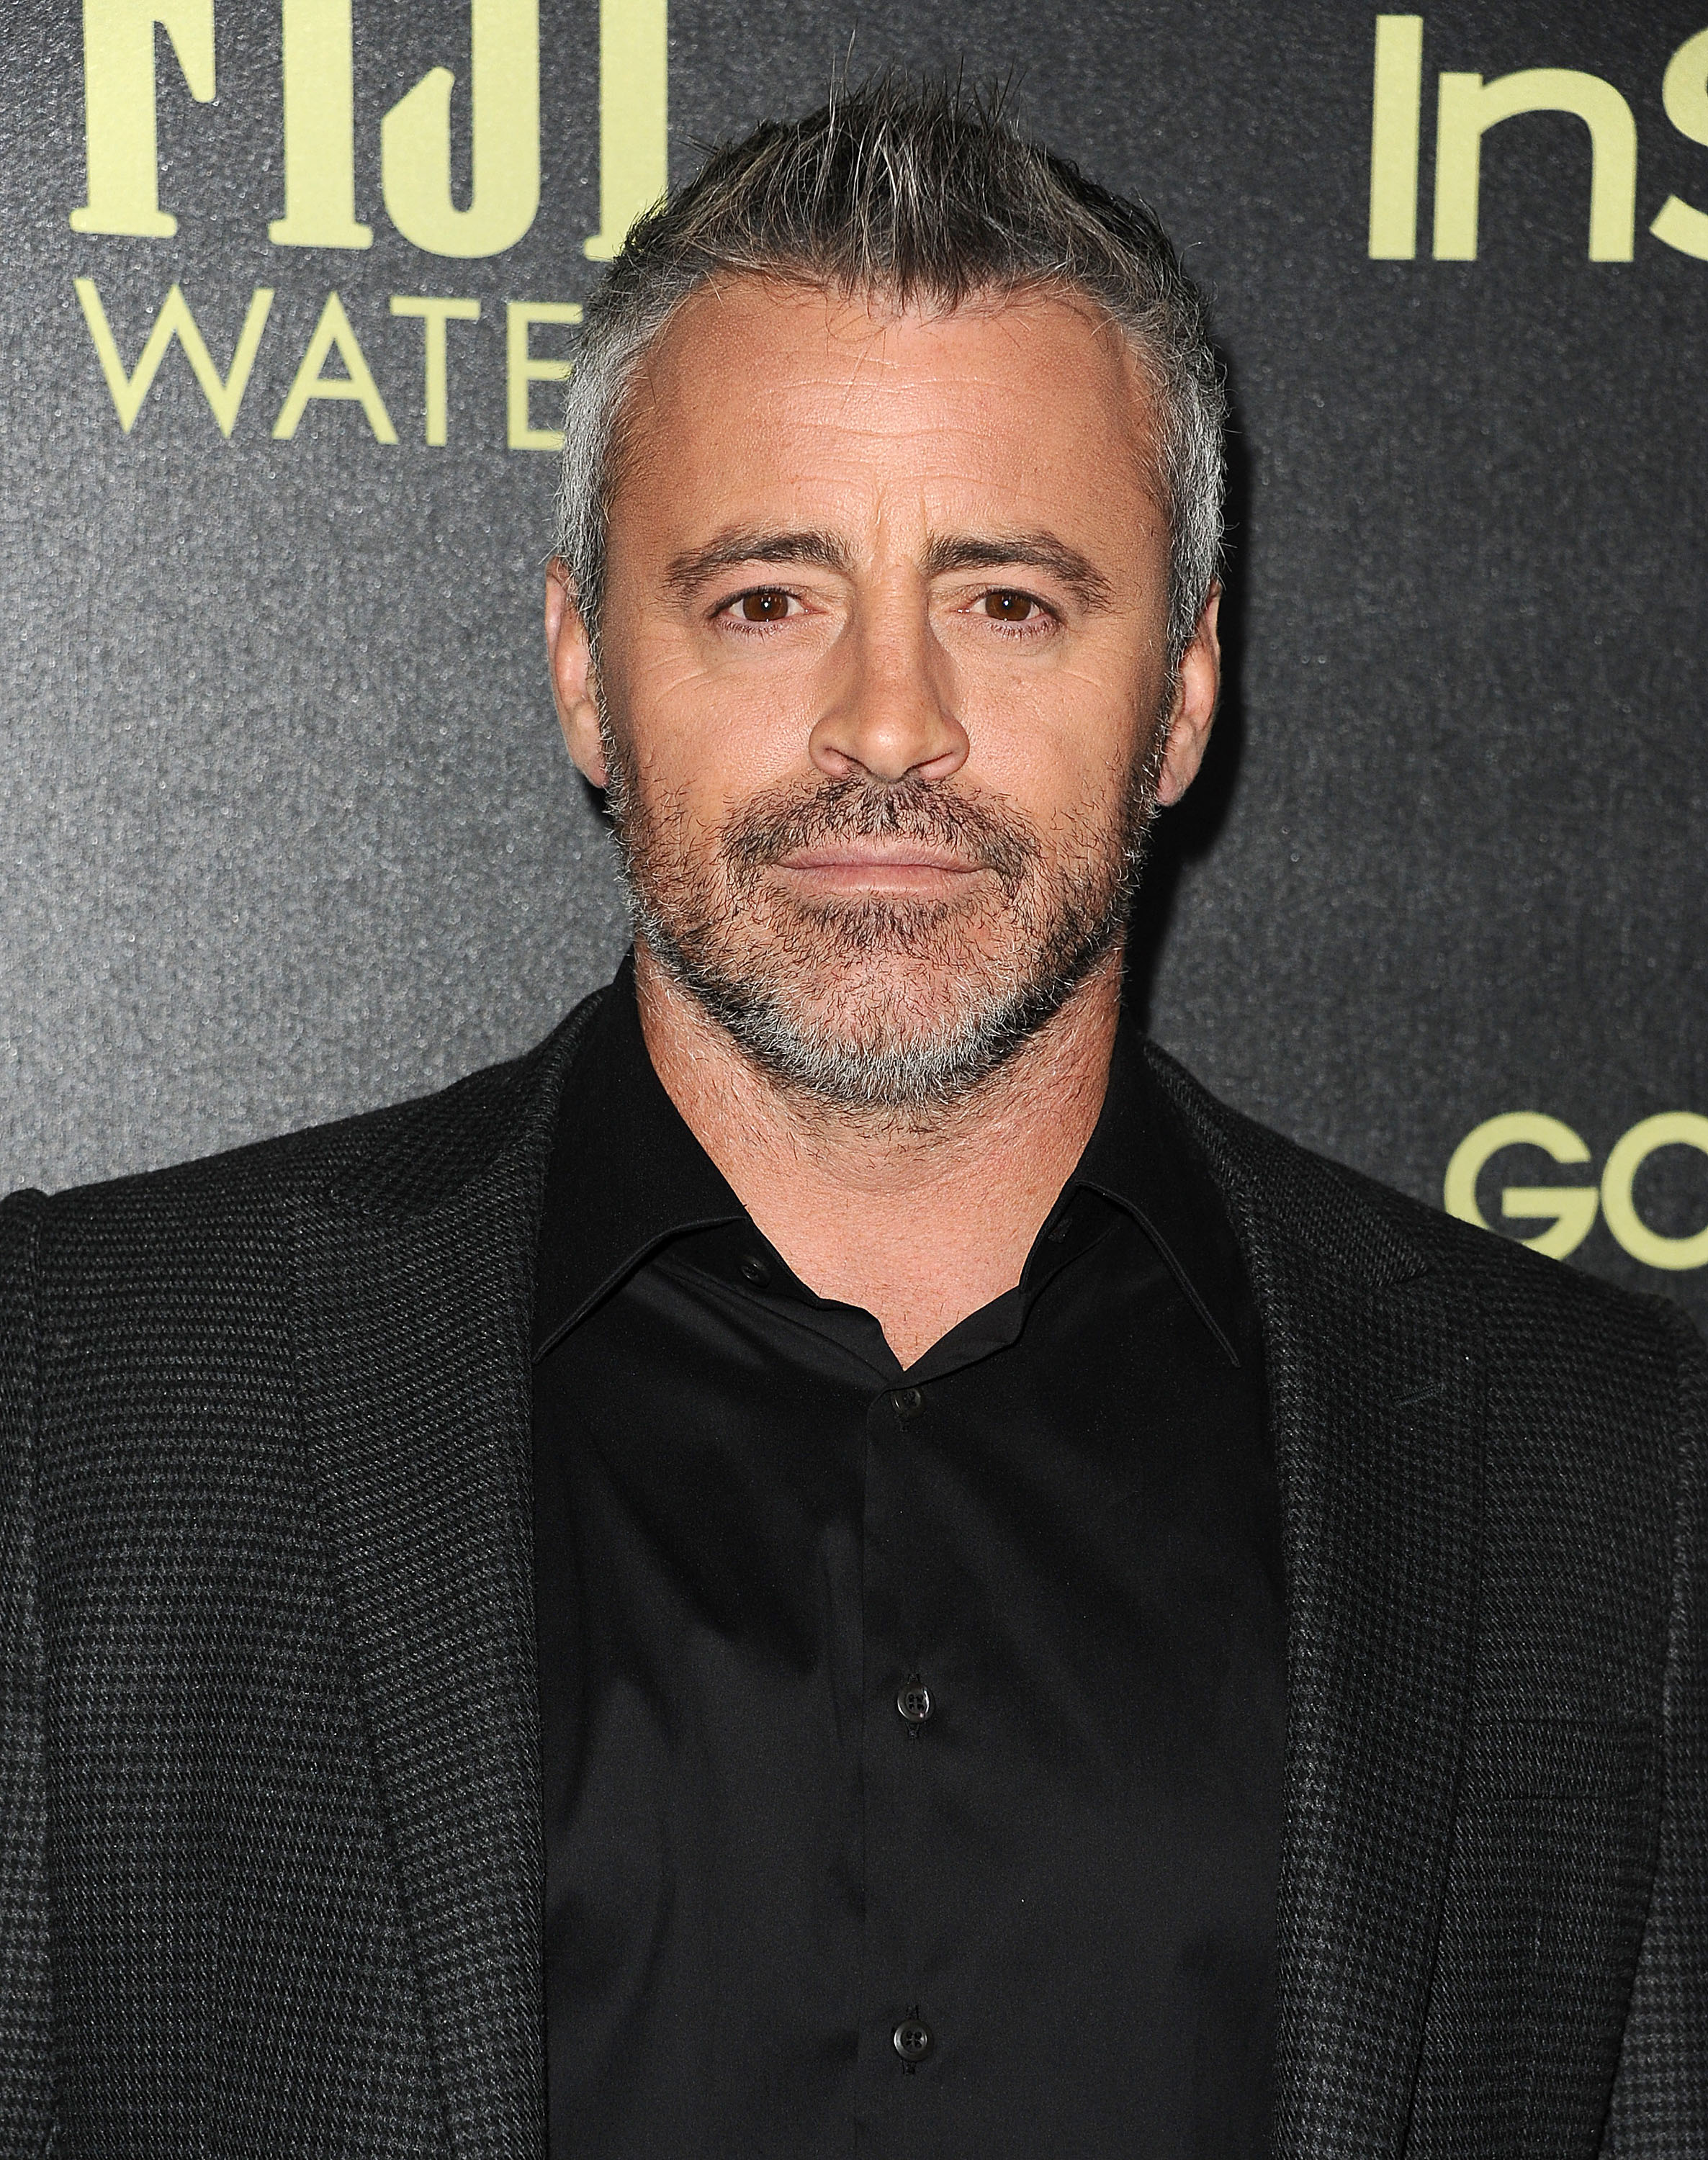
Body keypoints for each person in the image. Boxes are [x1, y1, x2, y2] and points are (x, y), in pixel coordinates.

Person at [2, 77, 1702, 2160]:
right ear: (580, 675)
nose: (885, 725)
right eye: (763, 599)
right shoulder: (79, 1405)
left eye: (1006, 599)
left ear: (1178, 693)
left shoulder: (1592, 1466)